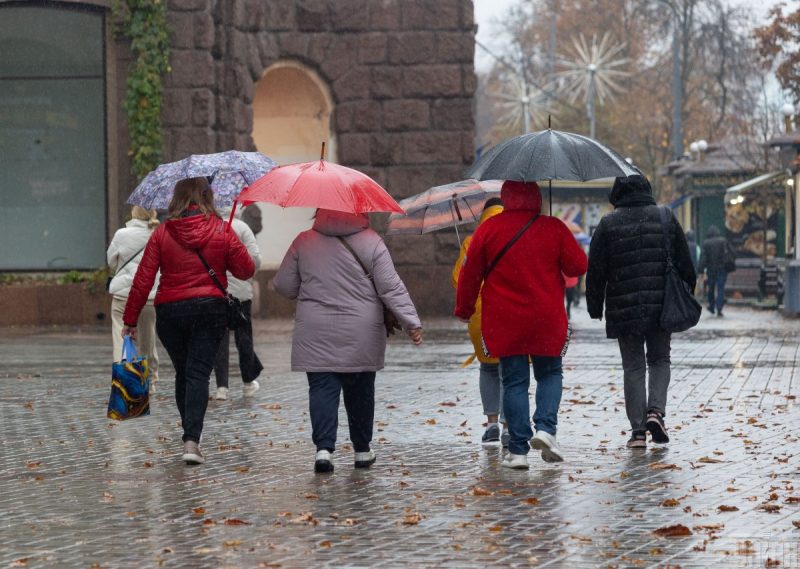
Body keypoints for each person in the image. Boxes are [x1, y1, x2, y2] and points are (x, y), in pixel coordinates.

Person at [274, 208, 423, 473]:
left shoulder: (303, 241)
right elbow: (390, 287)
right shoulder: (372, 241)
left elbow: (284, 285)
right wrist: (411, 321)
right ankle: (362, 450)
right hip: (362, 330)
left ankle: (323, 450)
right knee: (361, 389)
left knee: (322, 389)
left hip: (316, 329)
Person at [455, 181, 588, 470]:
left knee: (513, 380)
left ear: (506, 197)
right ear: (537, 197)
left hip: (506, 319)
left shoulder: (488, 230)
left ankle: (517, 450)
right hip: (546, 317)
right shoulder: (552, 227)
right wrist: (559, 237)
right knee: (550, 373)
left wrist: (464, 309)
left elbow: (469, 275)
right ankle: (545, 429)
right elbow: (578, 266)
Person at [122, 177, 255, 465]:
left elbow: (144, 278)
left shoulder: (162, 233)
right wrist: (227, 239)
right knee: (196, 374)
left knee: (185, 372)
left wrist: (130, 319)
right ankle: (192, 440)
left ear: (177, 198)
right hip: (209, 311)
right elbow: (246, 269)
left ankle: (189, 434)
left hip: (171, 313)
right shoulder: (221, 229)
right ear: (205, 196)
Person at [586, 175, 696, 449]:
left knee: (633, 366)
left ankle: (637, 432)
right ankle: (655, 413)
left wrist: (594, 305)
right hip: (661, 306)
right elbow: (685, 262)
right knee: (660, 359)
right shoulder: (665, 217)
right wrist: (687, 289)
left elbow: (596, 270)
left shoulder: (609, 223)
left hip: (624, 309)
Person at [451, 197, 507, 446]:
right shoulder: (513, 237)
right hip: (510, 312)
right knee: (511, 370)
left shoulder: (472, 242)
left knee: (488, 368)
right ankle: (508, 426)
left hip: (481, 316)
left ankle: (492, 423)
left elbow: (458, 280)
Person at [107, 206, 160, 392]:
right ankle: (150, 381)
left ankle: (124, 383)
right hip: (149, 296)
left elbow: (111, 262)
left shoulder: (122, 234)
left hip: (123, 295)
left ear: (134, 213)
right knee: (148, 339)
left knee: (120, 338)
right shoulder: (158, 233)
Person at [212, 207, 263, 400]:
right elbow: (256, 259)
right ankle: (248, 382)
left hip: (217, 291)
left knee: (220, 339)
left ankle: (221, 388)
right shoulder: (243, 228)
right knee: (244, 337)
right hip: (241, 292)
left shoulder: (213, 227)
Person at [697, 225, 731, 316]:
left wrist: (700, 269)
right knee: (720, 288)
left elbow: (703, 258)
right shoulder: (723, 241)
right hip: (722, 269)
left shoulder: (706, 243)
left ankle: (711, 306)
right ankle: (719, 308)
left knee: (711, 288)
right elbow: (729, 254)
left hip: (711, 269)